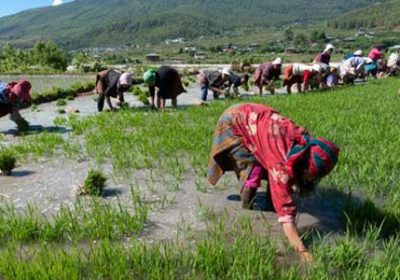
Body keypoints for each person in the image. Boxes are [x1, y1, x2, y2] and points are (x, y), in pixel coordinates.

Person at [208, 103, 339, 263]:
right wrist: (303, 251)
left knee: (269, 166)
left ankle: (269, 201)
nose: (313, 180)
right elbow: (287, 218)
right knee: (253, 169)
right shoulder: (281, 166)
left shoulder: (304, 142)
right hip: (234, 121)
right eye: (312, 175)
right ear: (306, 166)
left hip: (254, 114)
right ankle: (247, 203)